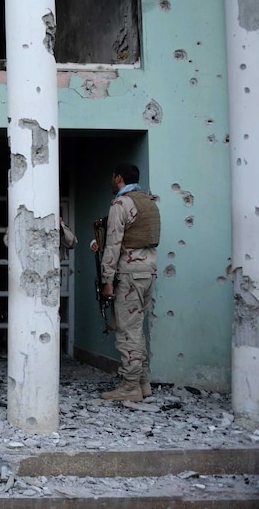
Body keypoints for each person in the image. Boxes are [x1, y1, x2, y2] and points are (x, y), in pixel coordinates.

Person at [97, 163, 160, 401]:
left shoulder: (121, 204)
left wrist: (107, 280)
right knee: (136, 328)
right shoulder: (149, 202)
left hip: (129, 272)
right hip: (148, 270)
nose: (112, 181)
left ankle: (130, 385)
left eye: (113, 177)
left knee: (127, 330)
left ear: (119, 177)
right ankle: (143, 383)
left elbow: (113, 244)